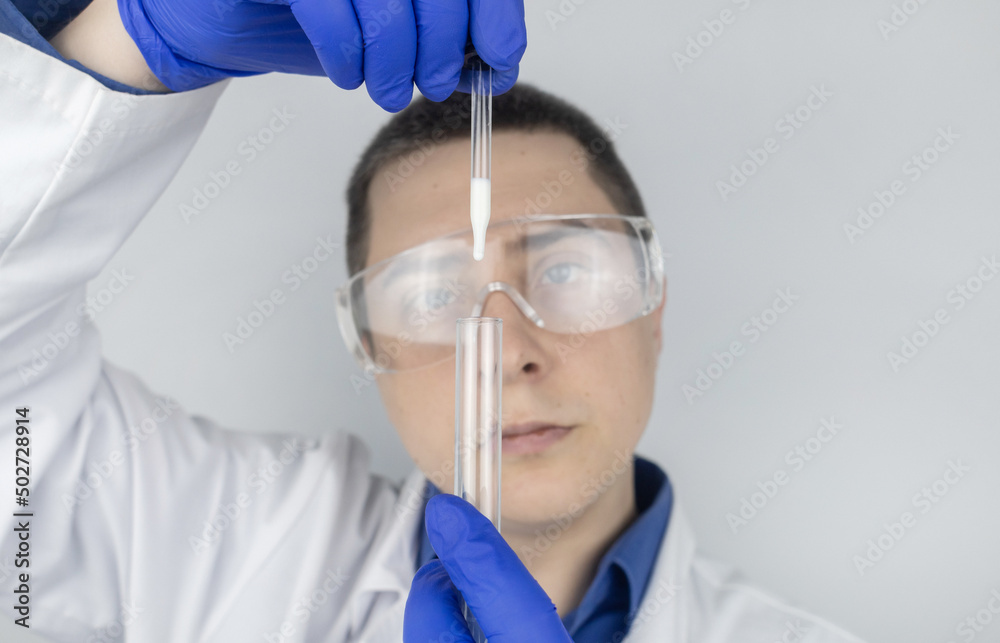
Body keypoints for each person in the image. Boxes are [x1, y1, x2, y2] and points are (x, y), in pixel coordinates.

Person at [0, 0, 865, 640]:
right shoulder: (218, 543)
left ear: (655, 307)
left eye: (564, 270)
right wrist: (117, 40)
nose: (508, 352)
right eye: (432, 296)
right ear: (371, 347)